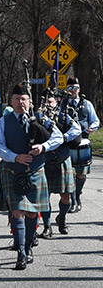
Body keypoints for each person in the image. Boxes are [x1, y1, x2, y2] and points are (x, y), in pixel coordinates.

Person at [0, 84, 63, 270]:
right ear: (11, 101)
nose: (20, 102)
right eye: (16, 99)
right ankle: (21, 253)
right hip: (12, 171)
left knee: (32, 213)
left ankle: (29, 246)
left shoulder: (41, 118)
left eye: (23, 99)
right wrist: (15, 157)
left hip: (35, 171)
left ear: (29, 102)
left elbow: (58, 137)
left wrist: (43, 147)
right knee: (17, 211)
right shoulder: (4, 121)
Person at [38, 91, 82, 238]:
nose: (48, 105)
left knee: (66, 195)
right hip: (45, 160)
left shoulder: (64, 116)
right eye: (46, 103)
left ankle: (61, 218)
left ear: (56, 102)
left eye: (51, 102)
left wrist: (63, 137)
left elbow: (77, 130)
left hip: (62, 159)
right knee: (45, 195)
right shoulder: (38, 118)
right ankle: (47, 225)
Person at [65, 77, 100, 213]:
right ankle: (73, 201)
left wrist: (92, 127)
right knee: (70, 174)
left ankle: (77, 194)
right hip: (67, 142)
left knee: (81, 174)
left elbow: (95, 120)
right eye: (70, 88)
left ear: (79, 89)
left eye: (75, 88)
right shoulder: (63, 104)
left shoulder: (87, 104)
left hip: (83, 141)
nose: (72, 91)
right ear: (67, 89)